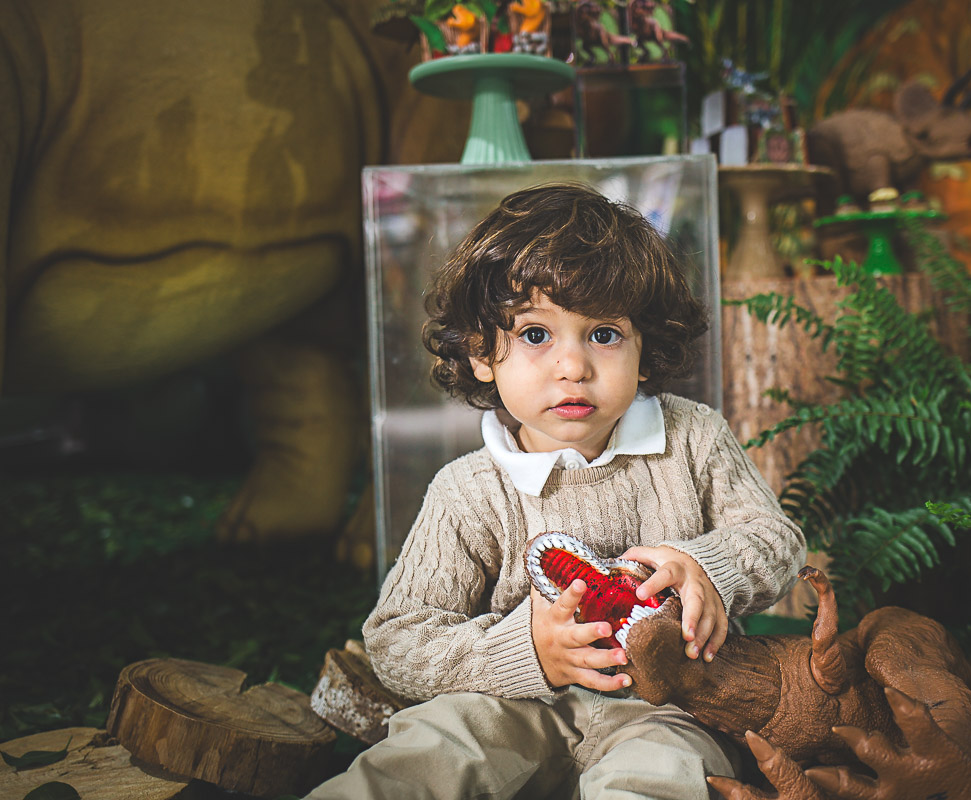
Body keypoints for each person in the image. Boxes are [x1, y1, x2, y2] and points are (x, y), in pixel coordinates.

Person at [306, 183, 806, 800]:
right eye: (536, 335)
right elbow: (398, 639)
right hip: (510, 701)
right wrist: (526, 653)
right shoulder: (468, 490)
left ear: (645, 347)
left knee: (662, 775)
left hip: (671, 705)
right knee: (426, 756)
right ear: (483, 352)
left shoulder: (694, 437)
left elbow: (778, 541)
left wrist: (709, 567)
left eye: (603, 335)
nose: (573, 366)